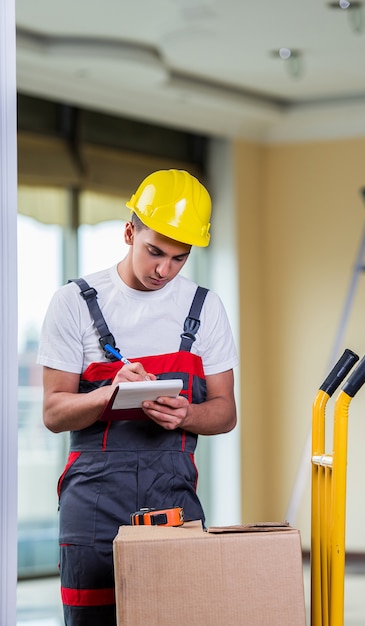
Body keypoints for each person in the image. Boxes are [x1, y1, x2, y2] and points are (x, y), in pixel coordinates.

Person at [37, 169, 238, 626]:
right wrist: (112, 394)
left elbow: (225, 412)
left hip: (173, 498)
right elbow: (53, 411)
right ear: (129, 232)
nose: (163, 270)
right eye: (154, 252)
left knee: (175, 617)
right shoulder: (74, 303)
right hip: (92, 506)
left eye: (178, 259)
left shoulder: (204, 308)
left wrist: (187, 413)